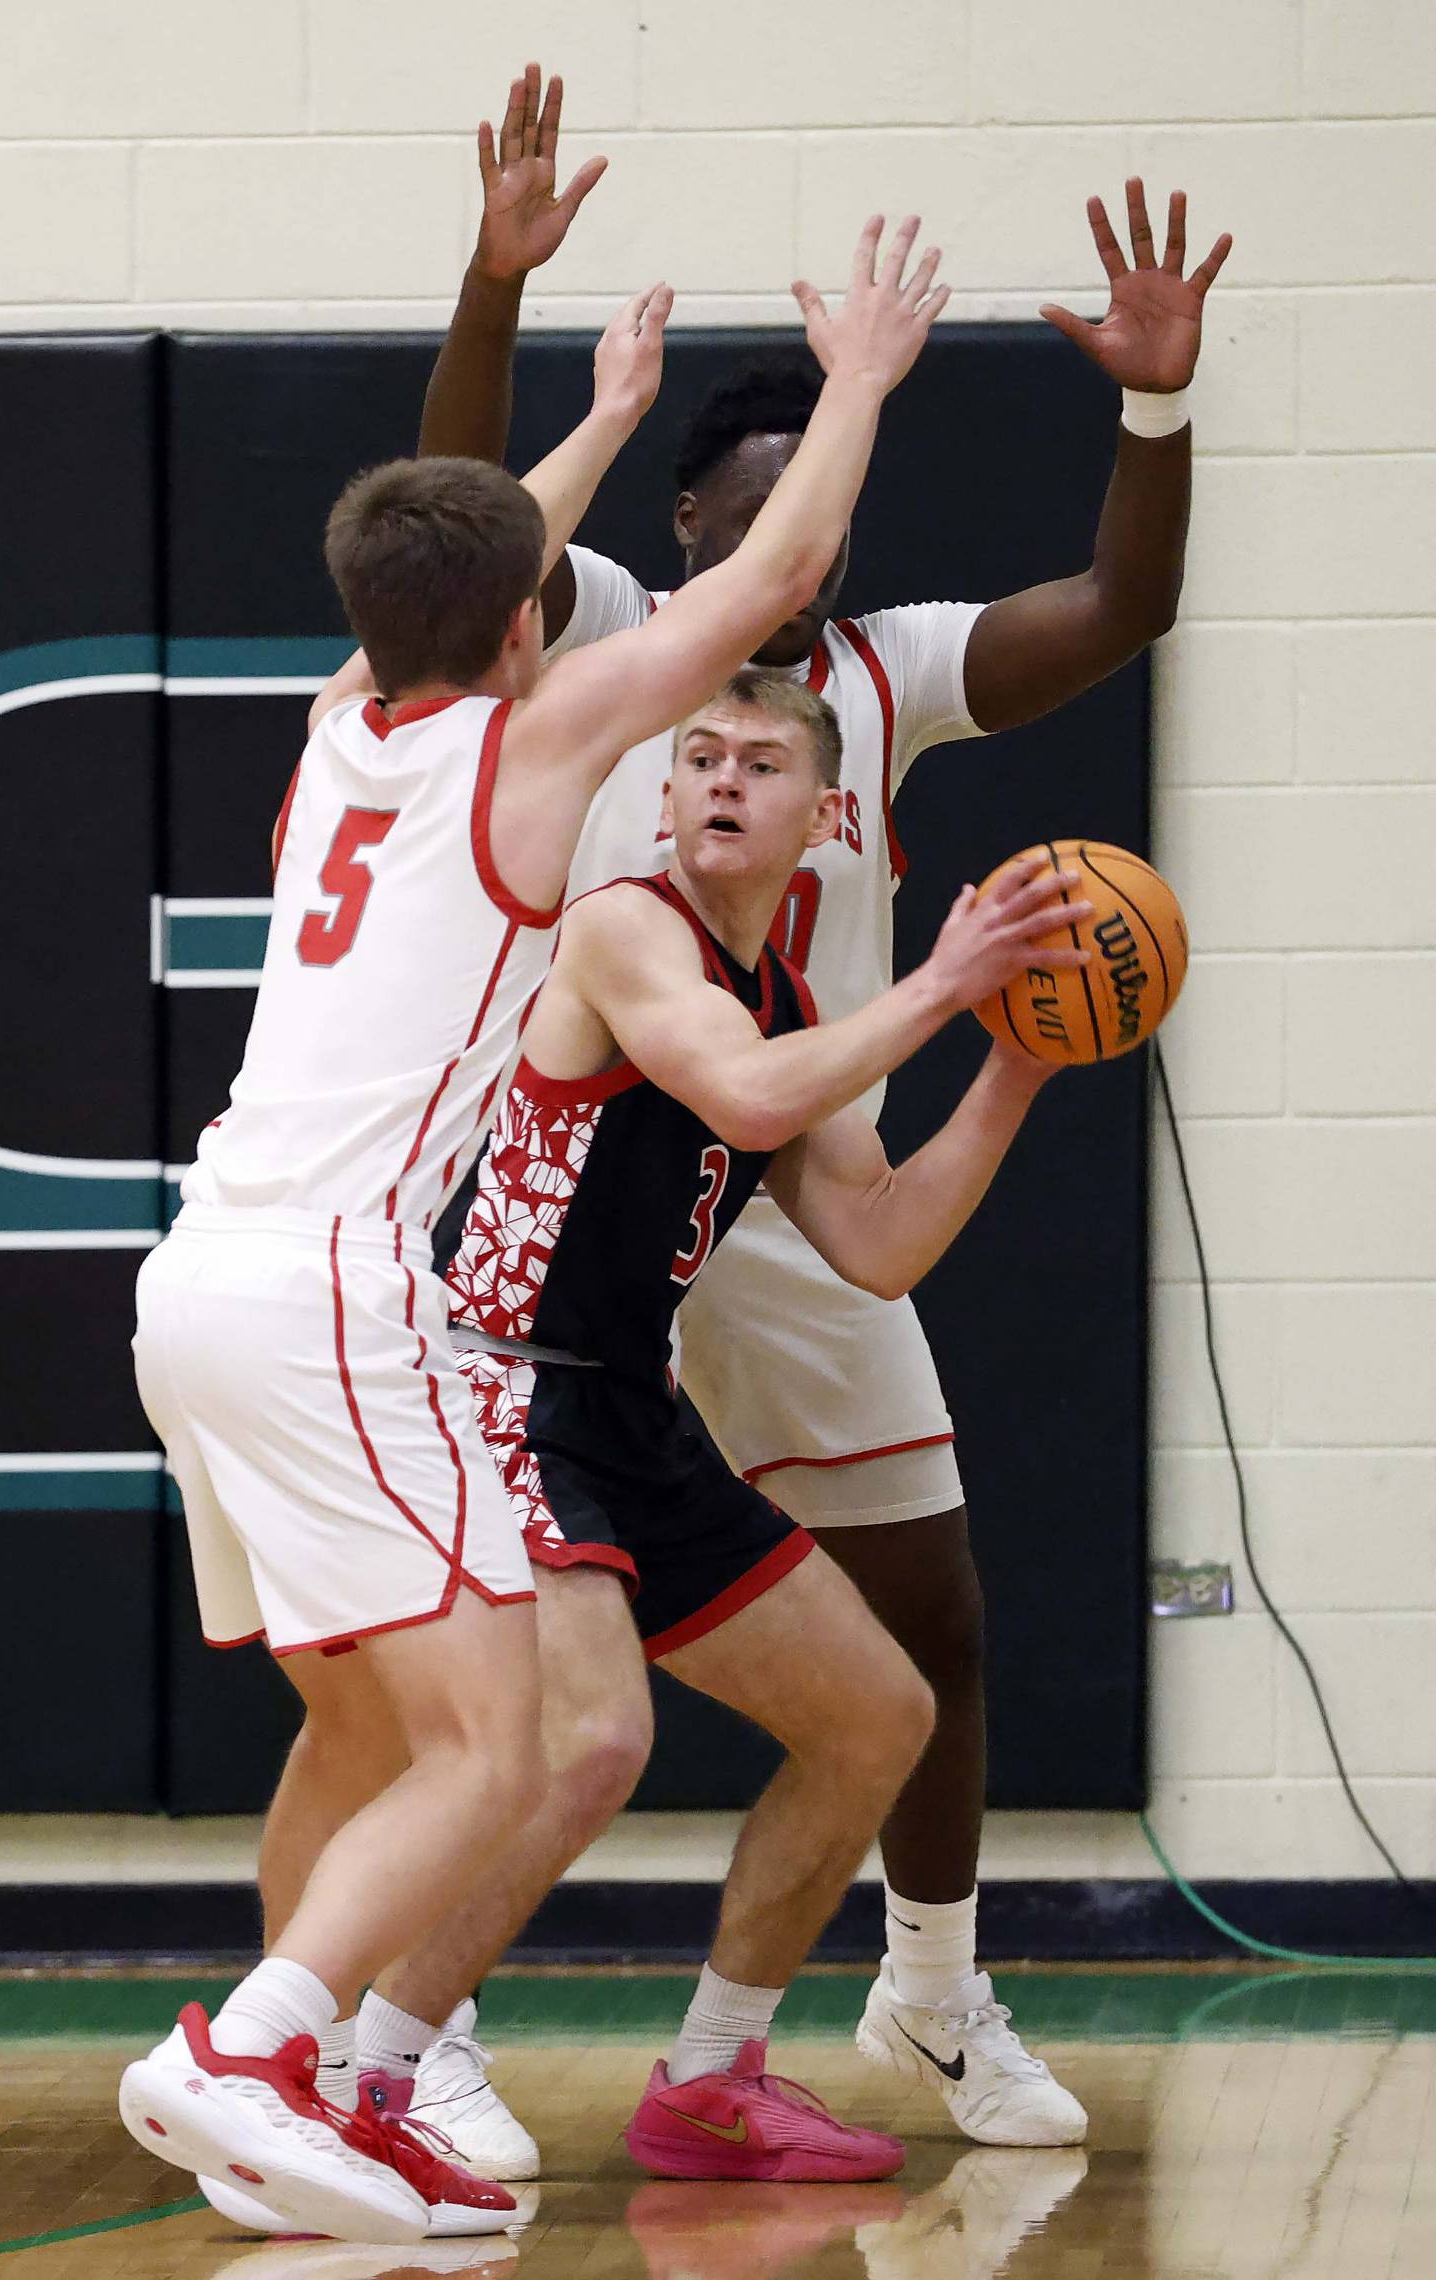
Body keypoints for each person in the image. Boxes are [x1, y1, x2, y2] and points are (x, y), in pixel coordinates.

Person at [407, 60, 1232, 2155]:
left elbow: (1123, 609)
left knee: (923, 1620)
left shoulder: (879, 670)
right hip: (587, 1169)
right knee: (526, 1693)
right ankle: (421, 2029)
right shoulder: (612, 627)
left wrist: (1152, 407)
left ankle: (928, 1999)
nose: (810, 527)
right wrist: (496, 290)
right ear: (698, 527)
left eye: (831, 491)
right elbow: (456, 509)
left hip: (789, 1153)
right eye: (770, 496)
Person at [121, 219, 950, 2243]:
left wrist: (591, 431)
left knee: (367, 1722)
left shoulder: (342, 726)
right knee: (523, 1744)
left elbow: (457, 573)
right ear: (528, 638)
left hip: (190, 1285)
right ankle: (252, 2053)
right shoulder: (528, 747)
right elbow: (762, 584)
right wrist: (857, 379)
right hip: (337, 1292)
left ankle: (322, 2087)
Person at [303, 668, 1090, 2193]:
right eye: (700, 758)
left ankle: (714, 2077)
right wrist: (938, 987)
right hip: (495, 1374)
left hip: (621, 1397)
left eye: (760, 763)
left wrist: (1013, 1066)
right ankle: (382, 2072)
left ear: (824, 812)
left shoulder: (791, 1003)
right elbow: (736, 1091)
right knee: (593, 1738)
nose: (722, 781)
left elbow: (874, 1245)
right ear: (664, 796)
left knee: (880, 1715)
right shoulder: (621, 926)